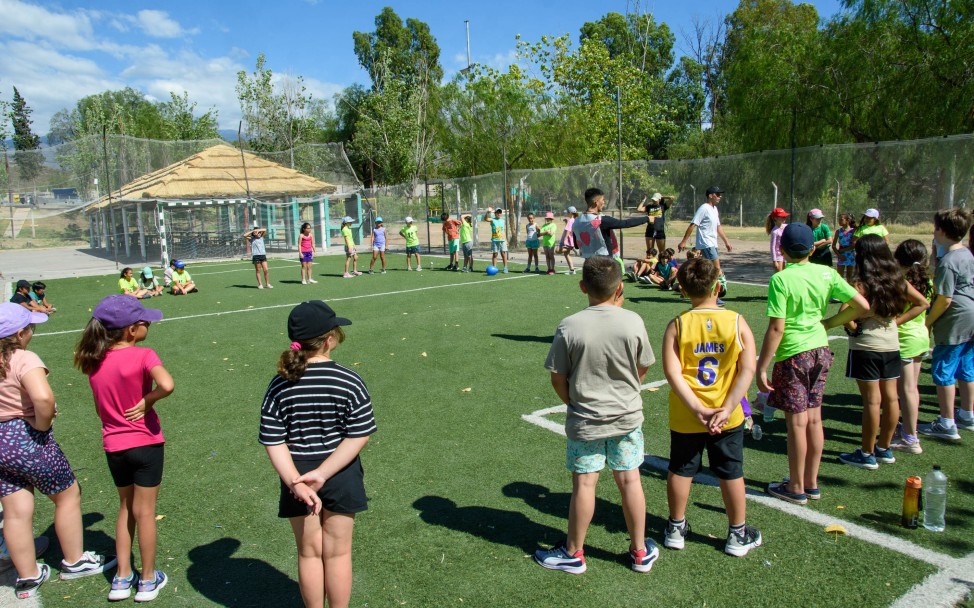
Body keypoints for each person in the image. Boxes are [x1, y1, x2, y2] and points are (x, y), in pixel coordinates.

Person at [535, 256, 657, 575]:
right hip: (626, 418)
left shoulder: (570, 325)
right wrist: (628, 392)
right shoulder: (633, 321)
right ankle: (640, 551)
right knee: (630, 480)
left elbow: (557, 377)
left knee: (585, 485)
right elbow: (643, 366)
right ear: (620, 288)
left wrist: (574, 402)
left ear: (582, 287)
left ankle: (574, 553)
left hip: (585, 419)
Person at [260, 300, 376, 608]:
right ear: (329, 340)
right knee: (338, 552)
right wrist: (323, 473)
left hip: (297, 475)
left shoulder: (279, 383)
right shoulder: (348, 379)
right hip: (340, 473)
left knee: (308, 552)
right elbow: (359, 434)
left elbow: (273, 439)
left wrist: (295, 482)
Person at [0, 303, 117, 599]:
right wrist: (41, 424)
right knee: (67, 494)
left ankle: (27, 575)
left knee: (15, 511)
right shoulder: (23, 358)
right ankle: (75, 560)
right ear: (19, 333)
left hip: (0, 443)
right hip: (26, 438)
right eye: (30, 329)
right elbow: (42, 398)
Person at [757, 224, 868, 504]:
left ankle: (795, 486)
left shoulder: (781, 280)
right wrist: (829, 323)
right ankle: (811, 482)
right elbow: (862, 306)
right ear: (811, 248)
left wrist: (761, 366)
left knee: (796, 423)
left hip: (794, 354)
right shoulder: (827, 273)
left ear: (782, 250)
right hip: (820, 349)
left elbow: (776, 329)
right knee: (814, 418)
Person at [74, 295, 173, 602]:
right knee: (145, 513)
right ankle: (146, 580)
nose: (149, 324)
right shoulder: (144, 355)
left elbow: (99, 410)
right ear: (131, 330)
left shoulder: (94, 361)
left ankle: (121, 578)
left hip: (114, 446)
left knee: (125, 508)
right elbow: (167, 385)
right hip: (145, 443)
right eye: (145, 321)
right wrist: (148, 400)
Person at [661, 258, 761, 557]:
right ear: (718, 286)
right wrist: (728, 406)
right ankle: (737, 534)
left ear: (682, 289)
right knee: (731, 471)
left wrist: (695, 407)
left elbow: (672, 372)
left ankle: (676, 528)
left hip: (687, 415)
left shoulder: (677, 324)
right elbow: (748, 369)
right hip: (725, 416)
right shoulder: (736, 321)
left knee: (681, 468)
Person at [838, 235, 927, 469]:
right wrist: (896, 322)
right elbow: (922, 303)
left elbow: (845, 309)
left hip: (867, 346)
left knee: (871, 401)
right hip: (891, 344)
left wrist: (853, 326)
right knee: (890, 398)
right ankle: (884, 448)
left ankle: (866, 453)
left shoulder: (862, 282)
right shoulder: (897, 278)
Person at [918, 208, 974, 441]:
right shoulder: (967, 254)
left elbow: (944, 299)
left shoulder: (948, 262)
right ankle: (967, 415)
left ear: (941, 230)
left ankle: (946, 422)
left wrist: (927, 322)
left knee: (944, 369)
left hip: (955, 318)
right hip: (970, 314)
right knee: (966, 366)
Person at [891, 240, 934, 454]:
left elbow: (916, 306)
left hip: (905, 340)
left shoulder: (901, 283)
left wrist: (895, 322)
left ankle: (910, 438)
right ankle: (907, 429)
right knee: (911, 389)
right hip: (920, 338)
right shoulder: (927, 280)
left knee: (906, 390)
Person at [677, 187, 733, 306]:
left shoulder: (714, 209)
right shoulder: (704, 208)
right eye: (717, 194)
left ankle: (698, 291)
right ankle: (713, 297)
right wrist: (684, 241)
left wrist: (726, 241)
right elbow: (693, 225)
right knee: (716, 270)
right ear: (710, 195)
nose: (720, 196)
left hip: (713, 243)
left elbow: (718, 227)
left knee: (708, 270)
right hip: (706, 243)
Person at [572, 188, 649, 268]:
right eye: (603, 200)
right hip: (605, 264)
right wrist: (647, 219)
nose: (604, 203)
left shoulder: (576, 221)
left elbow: (576, 245)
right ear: (596, 202)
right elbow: (625, 223)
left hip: (588, 265)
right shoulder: (602, 220)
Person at [832, 213, 857, 284]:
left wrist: (844, 250)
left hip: (850, 255)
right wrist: (839, 255)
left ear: (847, 220)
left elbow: (854, 245)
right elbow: (833, 245)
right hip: (841, 255)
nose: (839, 221)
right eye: (838, 219)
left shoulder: (853, 231)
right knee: (839, 276)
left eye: (841, 219)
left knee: (850, 276)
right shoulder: (838, 231)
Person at [485, 207, 509, 273]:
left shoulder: (503, 220)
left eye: (500, 212)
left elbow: (503, 230)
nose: (499, 213)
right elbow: (486, 219)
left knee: (503, 254)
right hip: (495, 240)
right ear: (495, 213)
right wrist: (487, 213)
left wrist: (506, 240)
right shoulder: (492, 220)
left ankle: (505, 267)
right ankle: (494, 268)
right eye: (498, 212)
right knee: (495, 254)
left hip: (502, 240)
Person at [765, 208, 789, 273]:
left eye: (785, 216)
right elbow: (772, 247)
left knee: (786, 274)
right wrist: (774, 261)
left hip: (786, 255)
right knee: (779, 274)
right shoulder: (774, 231)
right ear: (775, 218)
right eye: (782, 217)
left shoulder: (786, 227)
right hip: (778, 256)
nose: (784, 218)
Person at [558, 206, 578, 275]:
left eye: (567, 212)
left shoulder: (571, 220)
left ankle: (574, 249)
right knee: (566, 254)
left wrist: (564, 240)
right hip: (571, 241)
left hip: (568, 241)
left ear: (570, 213)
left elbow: (568, 231)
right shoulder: (574, 220)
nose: (566, 213)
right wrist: (566, 222)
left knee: (557, 250)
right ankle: (572, 270)